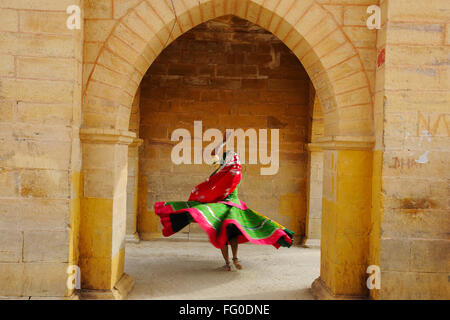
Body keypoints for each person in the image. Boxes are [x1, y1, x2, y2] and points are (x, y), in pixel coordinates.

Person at [154, 133, 294, 271]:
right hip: (235, 209)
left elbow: (213, 155)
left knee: (220, 234)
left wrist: (223, 141)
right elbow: (215, 156)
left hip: (221, 209)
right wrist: (223, 142)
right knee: (231, 234)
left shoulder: (222, 172)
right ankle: (235, 258)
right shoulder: (234, 173)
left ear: (224, 161)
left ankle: (227, 263)